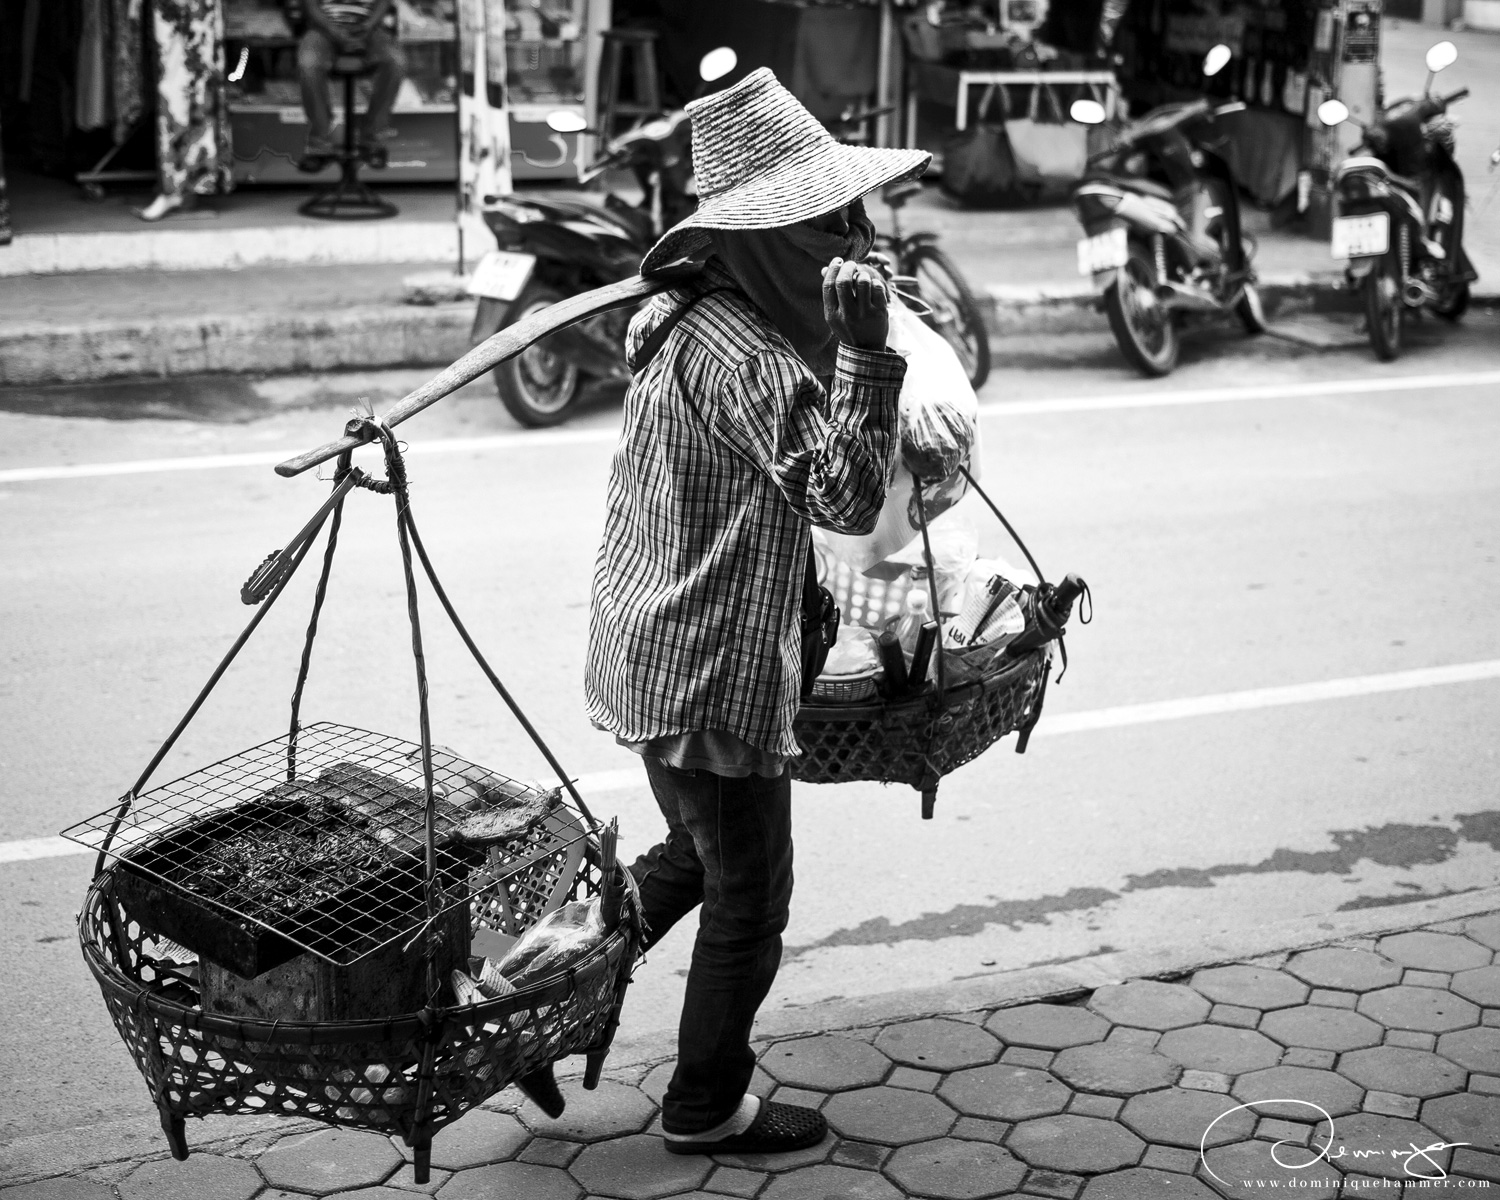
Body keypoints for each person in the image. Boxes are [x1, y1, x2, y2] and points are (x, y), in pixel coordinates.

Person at [585, 68, 929, 1155]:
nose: (856, 238)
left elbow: (744, 509)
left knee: (692, 857)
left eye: (854, 215)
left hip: (652, 648)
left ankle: (515, 980)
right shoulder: (749, 354)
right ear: (763, 236)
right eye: (830, 220)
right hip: (708, 674)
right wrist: (869, 354)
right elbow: (845, 495)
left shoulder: (681, 320)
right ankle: (704, 1105)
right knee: (751, 897)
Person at [295, 0, 404, 171]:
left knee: (395, 62)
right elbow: (310, 5)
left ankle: (373, 138)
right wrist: (334, 31)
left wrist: (368, 26)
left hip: (370, 28)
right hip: (323, 28)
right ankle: (319, 144)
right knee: (308, 64)